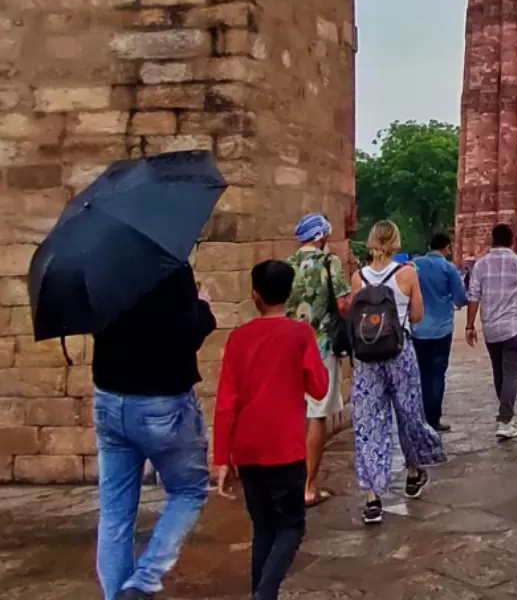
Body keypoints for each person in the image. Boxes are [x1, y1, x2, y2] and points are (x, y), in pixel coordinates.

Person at [92, 261, 216, 600]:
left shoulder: (99, 267)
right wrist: (203, 306)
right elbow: (186, 336)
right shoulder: (169, 267)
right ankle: (142, 582)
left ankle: (117, 595)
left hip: (109, 397)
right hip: (161, 401)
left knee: (115, 512)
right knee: (188, 490)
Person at [213, 261, 328, 600]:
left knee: (263, 527)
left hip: (247, 447)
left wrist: (222, 458)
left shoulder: (238, 338)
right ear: (288, 293)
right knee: (291, 525)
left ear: (255, 295)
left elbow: (225, 403)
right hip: (285, 446)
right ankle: (264, 593)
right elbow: (319, 388)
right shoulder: (300, 334)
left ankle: (261, 593)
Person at [350, 221, 445, 524]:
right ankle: (414, 471)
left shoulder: (358, 278)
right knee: (408, 413)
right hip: (400, 352)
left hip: (367, 357)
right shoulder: (407, 274)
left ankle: (373, 497)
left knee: (368, 422)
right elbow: (417, 316)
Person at [286, 213, 351, 507]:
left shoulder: (287, 265)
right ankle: (308, 486)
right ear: (321, 236)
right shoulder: (329, 262)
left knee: (292, 411)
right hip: (321, 345)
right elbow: (342, 303)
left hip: (288, 345)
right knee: (317, 412)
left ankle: (288, 481)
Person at [466, 222, 517, 439]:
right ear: (511, 240)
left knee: (499, 372)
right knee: (512, 375)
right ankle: (505, 421)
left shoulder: (481, 265)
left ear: (492, 239)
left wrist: (469, 325)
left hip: (491, 328)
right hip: (513, 326)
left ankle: (506, 416)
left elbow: (473, 296)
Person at [412, 232, 468, 433]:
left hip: (417, 327)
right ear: (445, 248)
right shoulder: (448, 268)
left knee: (420, 373)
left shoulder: (415, 266)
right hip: (441, 328)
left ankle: (418, 417)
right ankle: (433, 419)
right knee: (437, 374)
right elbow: (460, 298)